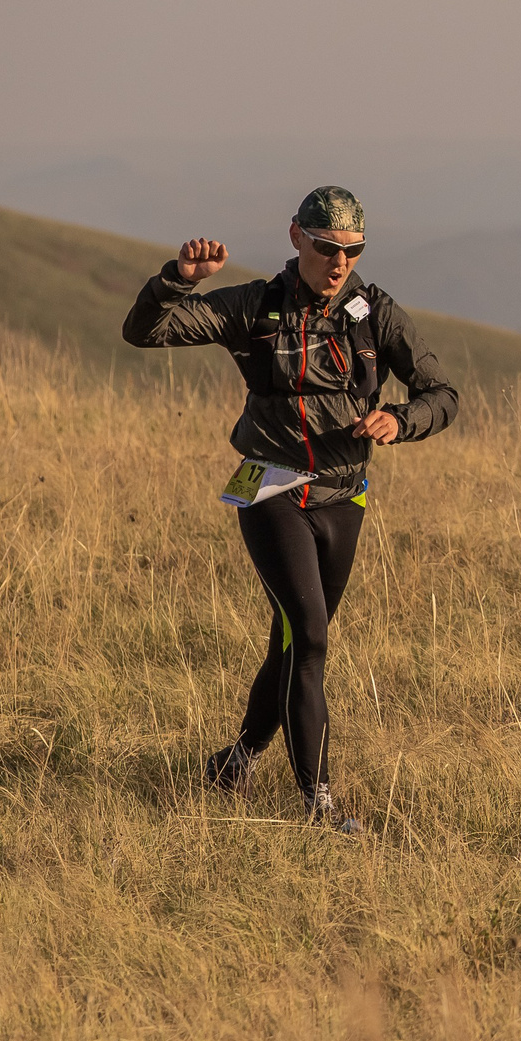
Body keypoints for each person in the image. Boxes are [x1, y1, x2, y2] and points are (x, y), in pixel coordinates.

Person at [122, 186, 457, 833]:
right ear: (296, 237)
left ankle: (237, 758)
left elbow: (443, 393)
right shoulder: (254, 305)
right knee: (309, 634)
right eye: (328, 247)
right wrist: (176, 281)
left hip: (344, 496)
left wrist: (402, 418)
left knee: (292, 644)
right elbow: (145, 331)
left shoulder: (372, 312)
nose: (340, 262)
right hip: (269, 487)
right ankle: (320, 805)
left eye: (353, 250)